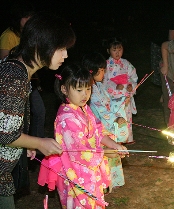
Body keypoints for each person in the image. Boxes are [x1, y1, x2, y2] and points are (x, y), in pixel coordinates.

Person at [0, 12, 74, 208]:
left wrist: (25, 145)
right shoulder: (14, 77)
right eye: (61, 49)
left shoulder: (16, 70)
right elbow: (5, 134)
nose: (65, 55)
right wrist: (39, 142)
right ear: (41, 45)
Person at [39, 64, 128, 209]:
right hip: (76, 176)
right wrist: (106, 153)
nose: (85, 94)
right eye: (79, 90)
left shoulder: (84, 109)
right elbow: (79, 151)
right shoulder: (66, 118)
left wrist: (113, 145)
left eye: (88, 89)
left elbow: (98, 131)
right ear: (64, 89)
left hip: (89, 174)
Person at [82, 52, 126, 190]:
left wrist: (120, 101)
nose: (103, 73)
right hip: (100, 127)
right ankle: (106, 184)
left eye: (104, 70)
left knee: (112, 151)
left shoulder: (99, 86)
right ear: (92, 70)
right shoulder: (90, 90)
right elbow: (100, 110)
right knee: (106, 154)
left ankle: (112, 182)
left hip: (105, 125)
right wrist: (115, 118)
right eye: (101, 70)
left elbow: (108, 102)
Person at [104, 37, 138, 144]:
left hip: (125, 95)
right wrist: (114, 86)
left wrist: (131, 85)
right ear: (108, 51)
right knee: (116, 117)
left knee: (127, 116)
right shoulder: (106, 65)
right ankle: (116, 138)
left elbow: (133, 77)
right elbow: (104, 80)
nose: (117, 52)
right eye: (114, 50)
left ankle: (127, 137)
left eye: (119, 49)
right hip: (114, 98)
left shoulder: (126, 63)